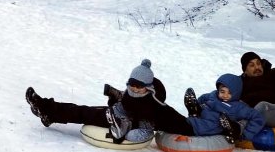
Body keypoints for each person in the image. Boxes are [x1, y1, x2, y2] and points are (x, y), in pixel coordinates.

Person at [26, 59, 199, 144]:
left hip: (127, 124)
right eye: (132, 85)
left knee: (85, 114)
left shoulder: (155, 105)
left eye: (139, 86)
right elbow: (126, 105)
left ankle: (47, 111)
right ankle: (45, 108)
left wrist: (193, 128)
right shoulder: (131, 95)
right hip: (116, 115)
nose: (135, 89)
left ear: (149, 87)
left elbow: (173, 120)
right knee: (82, 112)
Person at [184, 74, 266, 143]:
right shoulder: (213, 95)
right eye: (222, 91)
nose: (225, 95)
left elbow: (258, 117)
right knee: (201, 108)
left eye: (230, 93)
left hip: (219, 123)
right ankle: (194, 109)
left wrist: (245, 134)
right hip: (204, 116)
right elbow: (202, 98)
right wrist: (198, 105)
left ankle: (230, 129)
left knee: (229, 123)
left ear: (236, 93)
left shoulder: (239, 106)